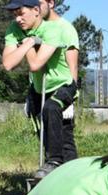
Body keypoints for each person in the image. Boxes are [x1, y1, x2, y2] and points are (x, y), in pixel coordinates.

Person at [1, 0, 77, 179]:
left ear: (36, 10)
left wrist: (25, 44)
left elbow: (35, 64)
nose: (18, 19)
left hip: (62, 84)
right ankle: (53, 174)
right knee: (45, 131)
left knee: (52, 112)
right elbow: (8, 63)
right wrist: (29, 42)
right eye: (15, 15)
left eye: (21, 13)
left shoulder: (53, 29)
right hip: (38, 87)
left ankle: (58, 164)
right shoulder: (14, 28)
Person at [37, 0, 79, 162]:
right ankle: (53, 177)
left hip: (61, 90)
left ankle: (72, 178)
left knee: (65, 140)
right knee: (46, 138)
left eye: (39, 3)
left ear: (51, 3)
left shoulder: (66, 29)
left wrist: (70, 99)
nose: (36, 7)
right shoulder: (37, 29)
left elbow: (73, 66)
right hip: (41, 90)